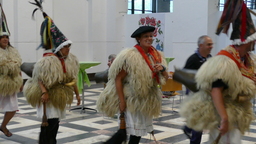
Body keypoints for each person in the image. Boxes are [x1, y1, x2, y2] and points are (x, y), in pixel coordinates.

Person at [179, 0, 256, 143]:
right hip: (224, 113)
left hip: (238, 114)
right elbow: (216, 90)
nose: (255, 42)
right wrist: (224, 118)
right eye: (254, 40)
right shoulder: (225, 61)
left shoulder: (248, 60)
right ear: (247, 41)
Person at [97, 26, 168, 144]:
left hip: (146, 101)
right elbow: (118, 79)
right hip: (132, 100)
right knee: (135, 134)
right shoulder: (130, 56)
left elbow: (164, 78)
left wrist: (163, 69)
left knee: (138, 134)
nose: (149, 38)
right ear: (138, 39)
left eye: (151, 36)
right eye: (146, 36)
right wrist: (121, 101)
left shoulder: (156, 55)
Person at [23, 3, 80, 144]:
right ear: (59, 48)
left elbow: (72, 78)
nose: (68, 49)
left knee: (56, 122)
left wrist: (77, 94)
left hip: (59, 94)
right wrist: (44, 92)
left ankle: (51, 141)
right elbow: (39, 77)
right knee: (49, 121)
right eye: (65, 46)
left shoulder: (69, 60)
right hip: (49, 94)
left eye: (68, 46)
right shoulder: (48, 60)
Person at [182, 35, 213, 144]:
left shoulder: (209, 58)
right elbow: (185, 77)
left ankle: (187, 128)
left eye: (211, 44)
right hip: (195, 95)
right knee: (199, 123)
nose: (211, 46)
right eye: (209, 44)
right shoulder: (193, 59)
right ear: (201, 45)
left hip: (207, 94)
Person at [0, 4, 23, 137]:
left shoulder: (13, 51)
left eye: (7, 37)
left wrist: (20, 82)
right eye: (3, 37)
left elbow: (17, 67)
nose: (5, 39)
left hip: (11, 83)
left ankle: (3, 126)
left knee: (13, 108)